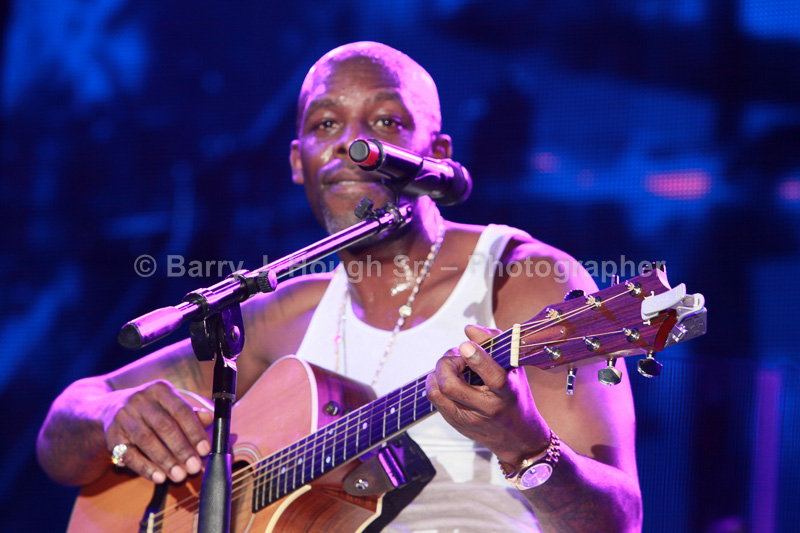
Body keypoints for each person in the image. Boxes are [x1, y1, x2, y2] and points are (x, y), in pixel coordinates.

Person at [37, 41, 642, 532]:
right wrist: (111, 415)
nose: (354, 147)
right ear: (297, 160)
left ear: (436, 153)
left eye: (385, 122)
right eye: (326, 123)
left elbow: (621, 522)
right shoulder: (284, 315)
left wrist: (526, 446)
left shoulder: (523, 280)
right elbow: (62, 430)